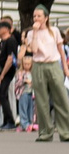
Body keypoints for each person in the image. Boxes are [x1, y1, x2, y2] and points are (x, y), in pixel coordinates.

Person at [25, 8, 69, 141]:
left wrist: (65, 68)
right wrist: (36, 33)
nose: (36, 19)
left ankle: (65, 132)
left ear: (46, 17)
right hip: (38, 65)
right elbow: (34, 50)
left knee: (61, 98)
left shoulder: (54, 31)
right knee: (41, 100)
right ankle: (45, 132)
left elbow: (61, 50)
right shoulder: (31, 34)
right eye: (34, 16)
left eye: (39, 16)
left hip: (53, 64)